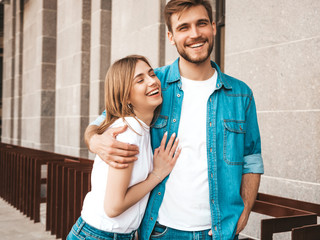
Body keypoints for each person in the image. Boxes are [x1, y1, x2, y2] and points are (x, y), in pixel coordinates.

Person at [85, 0, 264, 239]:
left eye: (201, 24)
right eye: (183, 27)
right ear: (171, 36)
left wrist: (245, 213)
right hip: (161, 230)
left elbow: (251, 159)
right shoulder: (153, 85)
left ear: (213, 26)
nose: (195, 34)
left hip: (219, 232)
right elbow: (101, 123)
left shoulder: (241, 94)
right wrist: (94, 141)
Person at [67, 55, 181, 240]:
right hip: (97, 235)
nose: (153, 82)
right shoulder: (127, 132)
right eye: (140, 80)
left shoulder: (141, 129)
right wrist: (157, 174)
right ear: (125, 96)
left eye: (152, 74)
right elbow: (113, 207)